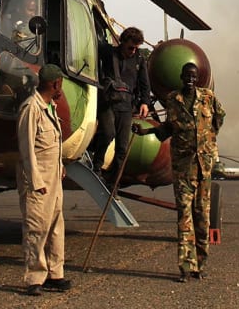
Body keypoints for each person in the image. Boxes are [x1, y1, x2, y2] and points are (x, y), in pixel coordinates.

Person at [133, 62, 225, 281]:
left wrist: (207, 140)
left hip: (203, 167)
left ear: (198, 78)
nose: (191, 80)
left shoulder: (208, 98)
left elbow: (219, 118)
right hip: (182, 168)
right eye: (187, 76)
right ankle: (185, 266)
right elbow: (167, 129)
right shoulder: (173, 101)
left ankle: (200, 265)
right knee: (184, 215)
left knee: (201, 217)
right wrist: (146, 131)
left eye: (194, 76)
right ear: (182, 77)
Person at [16, 63, 73, 296]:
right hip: (38, 179)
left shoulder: (50, 107)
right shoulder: (32, 108)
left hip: (53, 177)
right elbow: (27, 147)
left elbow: (53, 143)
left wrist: (59, 166)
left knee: (56, 227)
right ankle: (34, 278)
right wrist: (35, 180)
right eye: (61, 83)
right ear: (55, 84)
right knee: (37, 227)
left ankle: (55, 274)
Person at [91, 27, 155, 183]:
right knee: (108, 134)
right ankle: (97, 166)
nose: (133, 51)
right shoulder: (108, 53)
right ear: (122, 42)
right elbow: (93, 42)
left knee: (122, 148)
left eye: (136, 48)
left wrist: (145, 103)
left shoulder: (139, 60)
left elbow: (144, 83)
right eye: (130, 47)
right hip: (108, 103)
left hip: (126, 106)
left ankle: (114, 182)